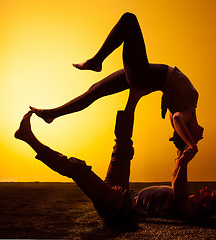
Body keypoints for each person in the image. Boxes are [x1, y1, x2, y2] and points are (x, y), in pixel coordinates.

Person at [29, 12, 204, 156]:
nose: (202, 136)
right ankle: (51, 114)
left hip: (143, 75)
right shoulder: (187, 107)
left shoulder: (185, 113)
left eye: (197, 139)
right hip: (144, 77)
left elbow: (177, 119)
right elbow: (161, 91)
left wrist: (191, 145)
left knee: (129, 20)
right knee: (95, 91)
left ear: (188, 133)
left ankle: (95, 62)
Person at [14, 108, 216, 220]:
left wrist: (184, 158)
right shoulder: (185, 198)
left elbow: (177, 181)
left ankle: (28, 138)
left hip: (118, 205)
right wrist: (183, 145)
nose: (206, 189)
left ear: (207, 206)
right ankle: (133, 98)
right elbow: (177, 177)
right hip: (123, 192)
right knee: (123, 148)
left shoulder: (189, 210)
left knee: (77, 169)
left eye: (211, 194)